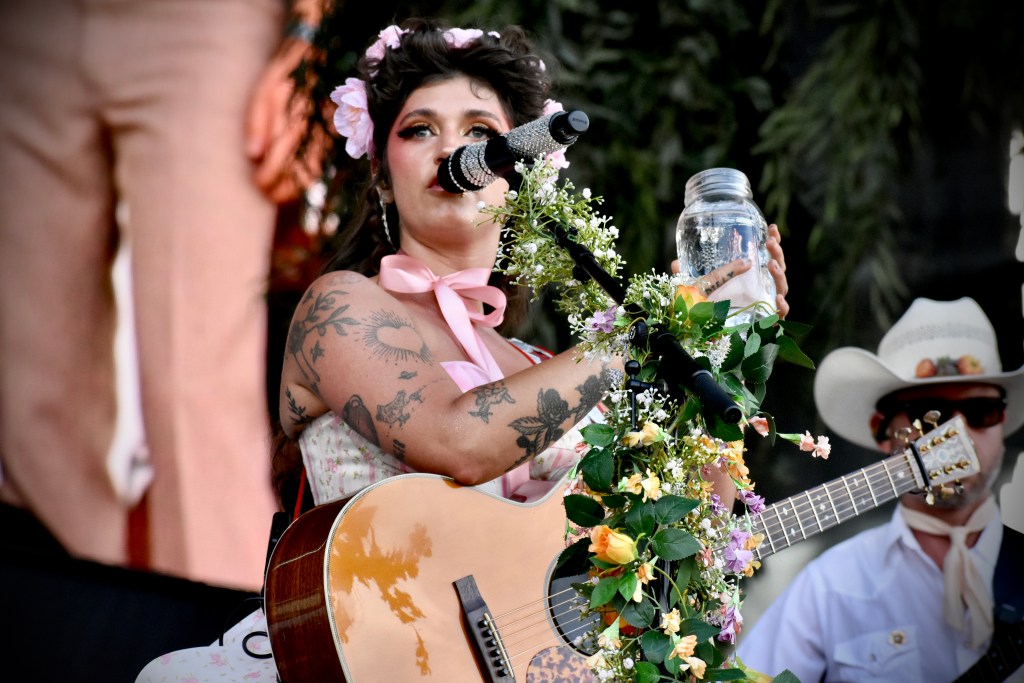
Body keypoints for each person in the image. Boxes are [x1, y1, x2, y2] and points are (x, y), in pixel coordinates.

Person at [137, 17, 793, 680]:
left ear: (517, 178)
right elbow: (460, 441)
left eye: (481, 133)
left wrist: (735, 356)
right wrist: (637, 329)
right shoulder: (339, 307)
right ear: (383, 178)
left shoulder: (543, 370)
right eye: (419, 129)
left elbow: (680, 572)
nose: (451, 147)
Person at [0, 0, 331, 590]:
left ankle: (228, 654)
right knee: (29, 394)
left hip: (201, 26)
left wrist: (309, 37)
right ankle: (75, 639)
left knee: (198, 391)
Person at [737, 296, 1024, 682]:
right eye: (931, 414)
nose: (961, 433)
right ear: (882, 431)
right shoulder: (828, 588)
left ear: (1002, 422)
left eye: (981, 411)